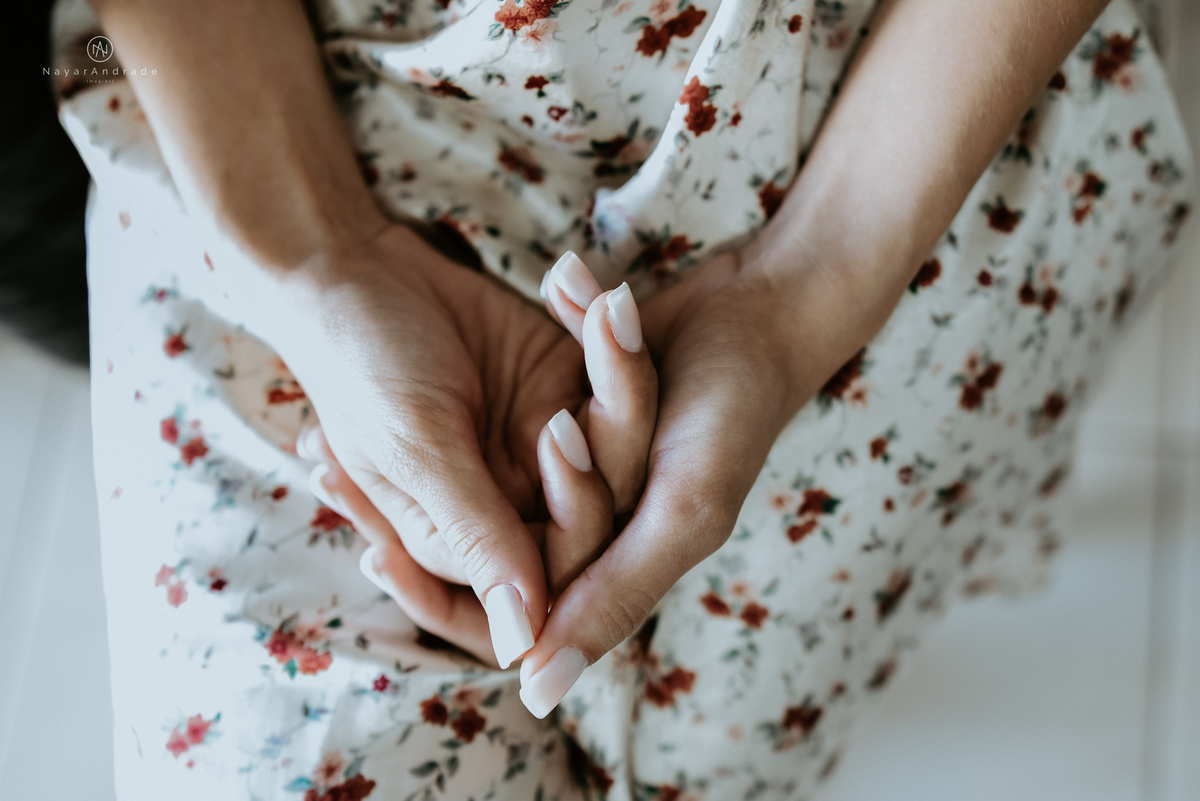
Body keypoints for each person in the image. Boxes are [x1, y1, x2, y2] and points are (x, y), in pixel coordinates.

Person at [60, 0, 1191, 796]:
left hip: (883, 109)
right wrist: (314, 256)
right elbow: (111, 56)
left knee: (722, 733)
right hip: (258, 94)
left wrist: (803, 289)